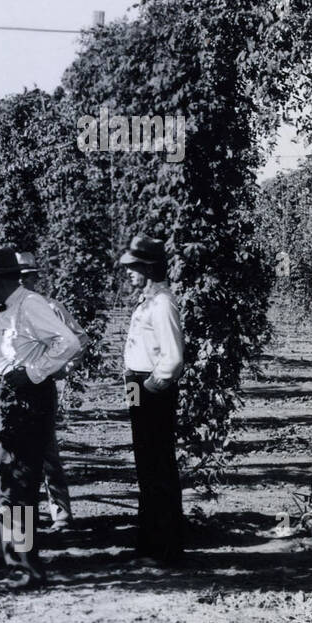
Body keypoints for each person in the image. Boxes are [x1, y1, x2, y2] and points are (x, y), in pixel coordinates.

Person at [0, 247, 82, 591]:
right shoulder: (6, 308)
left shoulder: (31, 304)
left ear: (4, 279)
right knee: (6, 479)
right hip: (3, 395)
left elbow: (68, 343)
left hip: (22, 399)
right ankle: (16, 563)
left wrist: (32, 373)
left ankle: (27, 570)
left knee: (19, 482)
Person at [119, 234, 185, 565]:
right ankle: (148, 545)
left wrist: (152, 387)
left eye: (134, 268)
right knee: (145, 465)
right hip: (137, 385)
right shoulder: (147, 301)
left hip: (150, 388)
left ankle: (165, 548)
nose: (129, 273)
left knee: (158, 466)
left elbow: (172, 357)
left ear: (147, 268)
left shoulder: (162, 304)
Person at [17, 251, 91, 530]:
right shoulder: (6, 310)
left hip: (40, 386)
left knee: (46, 449)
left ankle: (60, 512)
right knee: (13, 453)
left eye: (27, 277)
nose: (23, 282)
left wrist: (64, 368)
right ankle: (23, 515)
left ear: (36, 277)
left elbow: (80, 339)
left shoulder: (51, 307)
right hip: (11, 387)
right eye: (18, 278)